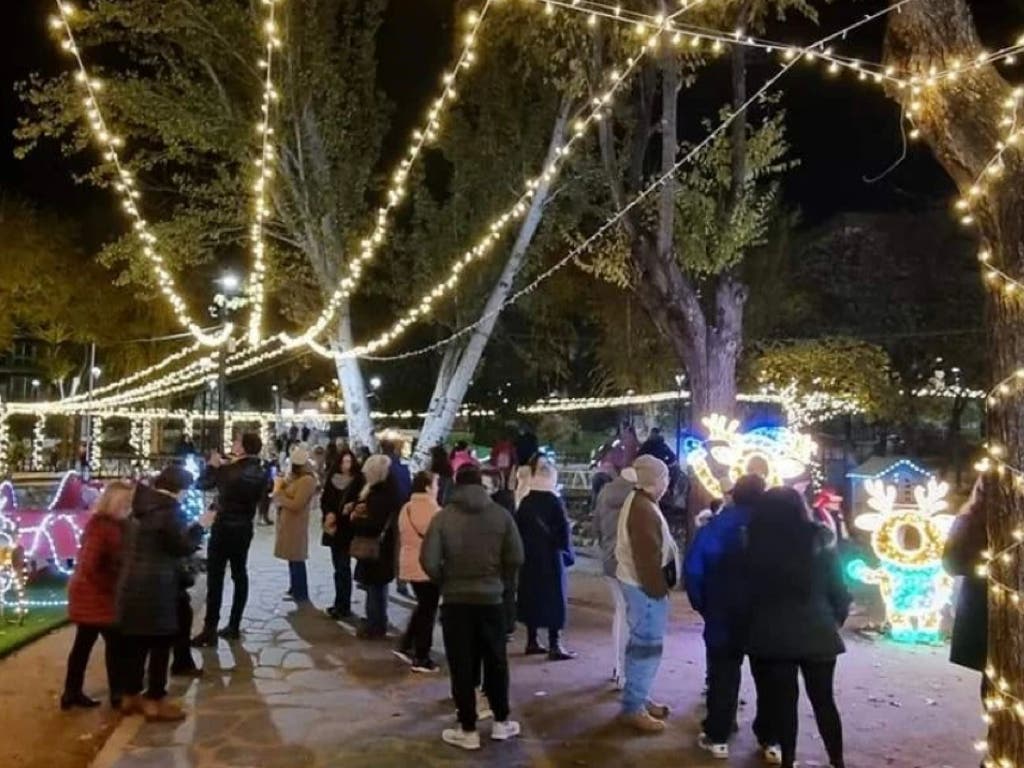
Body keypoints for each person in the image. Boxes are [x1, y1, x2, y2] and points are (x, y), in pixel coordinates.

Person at [421, 465, 525, 750]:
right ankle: (501, 722)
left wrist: (446, 580)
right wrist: (500, 579)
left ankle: (467, 728)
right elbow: (516, 556)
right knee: (496, 660)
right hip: (491, 599)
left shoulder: (443, 518)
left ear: (455, 485)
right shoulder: (500, 515)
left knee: (462, 664)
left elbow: (429, 562)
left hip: (456, 602)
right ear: (481, 484)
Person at [746, 487, 851, 768]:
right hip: (818, 630)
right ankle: (837, 760)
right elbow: (838, 589)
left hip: (773, 635)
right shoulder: (821, 539)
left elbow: (749, 593)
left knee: (784, 704)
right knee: (824, 701)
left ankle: (788, 761)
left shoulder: (755, 542)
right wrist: (834, 619)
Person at [117, 466, 213, 721]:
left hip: (133, 583)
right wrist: (200, 527)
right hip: (158, 585)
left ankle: (130, 694)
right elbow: (181, 546)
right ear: (179, 489)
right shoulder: (170, 512)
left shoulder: (140, 506)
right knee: (161, 642)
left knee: (136, 643)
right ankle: (155, 699)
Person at [684, 474, 769, 760]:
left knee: (723, 675)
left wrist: (704, 605)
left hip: (723, 614)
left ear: (736, 495)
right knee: (770, 678)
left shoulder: (717, 526)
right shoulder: (775, 525)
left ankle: (718, 736)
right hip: (765, 617)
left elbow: (695, 570)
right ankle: (772, 740)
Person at [615, 455, 678, 734]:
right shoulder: (643, 509)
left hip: (637, 585)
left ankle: (637, 697)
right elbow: (647, 559)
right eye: (664, 477)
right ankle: (634, 707)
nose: (667, 482)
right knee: (646, 646)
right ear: (655, 481)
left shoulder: (640, 502)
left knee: (640, 645)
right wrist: (658, 591)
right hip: (644, 589)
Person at [192, 433, 270, 646]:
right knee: (239, 574)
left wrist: (212, 466)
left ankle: (210, 628)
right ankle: (234, 624)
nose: (232, 445)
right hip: (244, 527)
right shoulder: (262, 472)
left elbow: (202, 484)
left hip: (224, 527)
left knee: (216, 578)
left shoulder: (228, 471)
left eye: (236, 442)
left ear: (242, 448)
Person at [62, 480, 134, 710]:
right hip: (96, 594)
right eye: (124, 503)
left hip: (92, 593)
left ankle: (71, 693)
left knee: (84, 643)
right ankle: (117, 693)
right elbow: (91, 565)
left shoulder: (106, 525)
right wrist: (111, 584)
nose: (128, 507)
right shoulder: (103, 527)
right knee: (115, 644)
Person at [515, 461, 576, 661]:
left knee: (531, 597)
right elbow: (563, 533)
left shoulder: (526, 502)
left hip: (529, 558)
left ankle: (532, 640)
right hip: (551, 559)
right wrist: (568, 555)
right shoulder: (554, 502)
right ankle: (554, 643)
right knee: (554, 600)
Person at [943, 477, 988, 706]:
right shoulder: (977, 520)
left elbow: (952, 562)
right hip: (989, 614)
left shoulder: (976, 518)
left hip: (986, 616)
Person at [593, 466, 638, 691]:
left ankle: (617, 667)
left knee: (620, 611)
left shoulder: (605, 492)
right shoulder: (639, 496)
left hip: (610, 560)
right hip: (631, 562)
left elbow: (597, 527)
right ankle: (626, 670)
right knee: (631, 615)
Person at [394, 471, 442, 672]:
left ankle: (407, 643)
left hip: (409, 564)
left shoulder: (406, 508)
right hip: (429, 566)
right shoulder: (436, 511)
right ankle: (421, 656)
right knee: (428, 611)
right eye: (436, 484)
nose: (438, 488)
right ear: (428, 487)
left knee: (423, 605)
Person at [350, 455, 402, 639]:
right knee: (379, 587)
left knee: (374, 587)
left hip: (375, 547)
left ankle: (374, 625)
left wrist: (356, 520)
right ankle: (379, 621)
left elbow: (373, 524)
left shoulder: (378, 496)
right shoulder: (390, 491)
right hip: (385, 545)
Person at [322, 448, 364, 620]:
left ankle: (343, 605)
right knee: (338, 568)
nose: (347, 465)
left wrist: (352, 506)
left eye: (349, 461)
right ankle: (339, 602)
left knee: (343, 567)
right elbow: (325, 500)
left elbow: (362, 501)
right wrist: (328, 513)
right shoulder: (332, 480)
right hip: (334, 527)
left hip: (348, 528)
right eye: (344, 461)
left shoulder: (358, 481)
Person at [273, 445, 318, 604]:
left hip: (296, 523)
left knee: (297, 557)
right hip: (288, 522)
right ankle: (294, 587)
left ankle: (301, 592)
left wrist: (280, 496)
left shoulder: (307, 480)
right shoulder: (294, 477)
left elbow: (297, 504)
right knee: (291, 557)